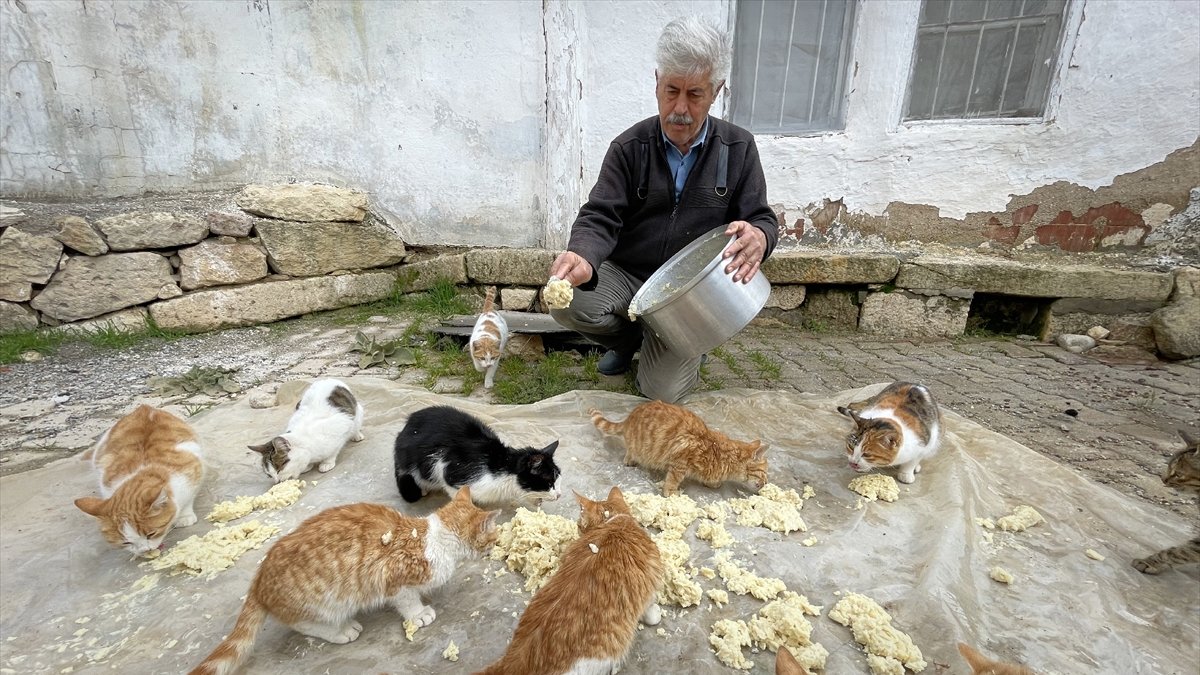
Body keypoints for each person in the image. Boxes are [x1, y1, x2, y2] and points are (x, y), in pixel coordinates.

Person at [549, 16, 779, 404]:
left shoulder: (738, 148)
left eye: (695, 94)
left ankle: (685, 341)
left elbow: (760, 217)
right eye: (671, 91)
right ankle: (630, 342)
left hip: (689, 297)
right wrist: (584, 256)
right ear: (657, 82)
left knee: (660, 394)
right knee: (571, 304)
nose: (680, 108)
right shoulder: (629, 147)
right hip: (628, 276)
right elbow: (600, 214)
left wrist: (760, 236)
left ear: (716, 91)